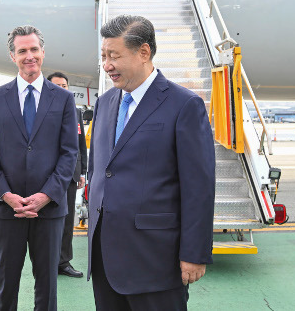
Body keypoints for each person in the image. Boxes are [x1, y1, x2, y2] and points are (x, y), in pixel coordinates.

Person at [87, 15, 215, 310]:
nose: (107, 65)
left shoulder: (184, 105)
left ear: (143, 53)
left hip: (156, 261)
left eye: (114, 56)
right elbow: (99, 170)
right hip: (105, 259)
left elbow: (199, 186)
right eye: (104, 56)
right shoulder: (105, 103)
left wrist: (194, 252)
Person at [0, 25, 79, 311]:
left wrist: (46, 195)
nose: (29, 56)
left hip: (48, 210)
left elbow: (69, 153)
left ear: (43, 52)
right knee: (6, 285)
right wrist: (5, 194)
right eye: (22, 50)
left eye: (34, 49)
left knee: (47, 286)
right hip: (7, 209)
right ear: (13, 56)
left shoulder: (63, 99)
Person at [47, 72, 88, 279]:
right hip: (49, 176)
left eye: (65, 86)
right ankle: (47, 261)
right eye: (58, 85)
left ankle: (63, 261)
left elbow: (81, 145)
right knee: (48, 221)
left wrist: (82, 172)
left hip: (71, 175)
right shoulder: (43, 109)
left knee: (67, 219)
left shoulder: (75, 111)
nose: (62, 89)